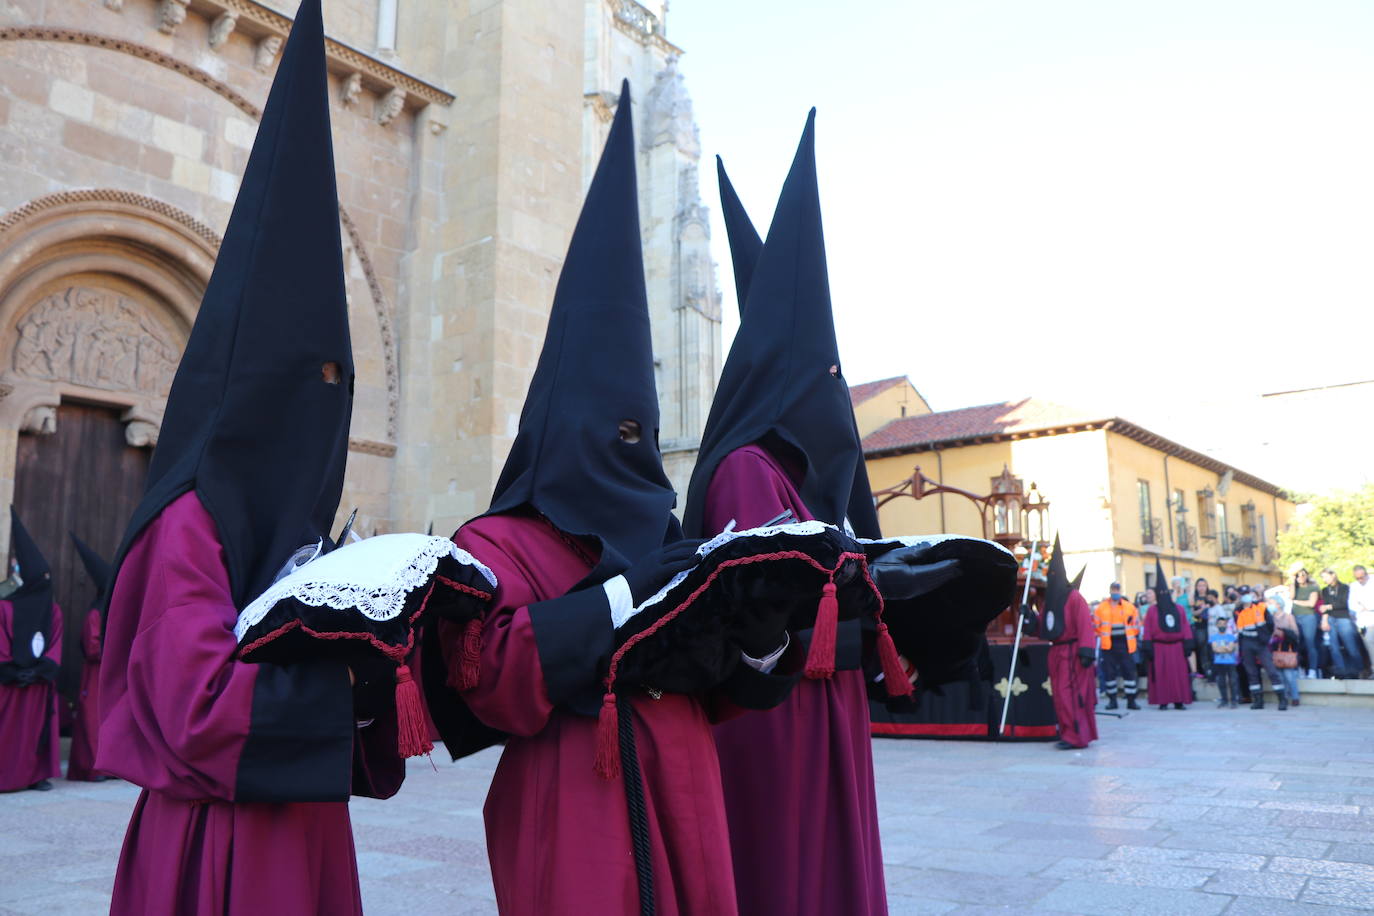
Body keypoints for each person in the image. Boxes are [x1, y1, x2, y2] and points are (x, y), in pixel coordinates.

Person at [422, 83, 788, 916]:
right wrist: (627, 594)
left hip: (685, 789)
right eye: (613, 429)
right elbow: (489, 679)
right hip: (572, 802)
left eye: (643, 430)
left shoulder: (662, 530)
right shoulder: (497, 540)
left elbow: (720, 688)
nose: (632, 448)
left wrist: (762, 636)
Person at [96, 5, 405, 911]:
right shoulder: (190, 517)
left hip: (302, 833)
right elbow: (196, 705)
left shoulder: (279, 522)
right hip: (214, 842)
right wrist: (344, 682)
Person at [683, 117, 893, 916]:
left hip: (824, 704)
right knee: (785, 868)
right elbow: (762, 607)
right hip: (776, 716)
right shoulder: (746, 470)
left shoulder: (797, 479)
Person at [0, 509, 62, 792]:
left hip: (38, 684)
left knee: (35, 732)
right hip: (10, 684)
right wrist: (12, 671)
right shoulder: (4, 607)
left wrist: (39, 670)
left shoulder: (54, 611)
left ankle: (34, 775)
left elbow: (55, 644)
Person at [1026, 542, 1097, 749]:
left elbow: (1085, 626)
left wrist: (1086, 651)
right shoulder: (1050, 602)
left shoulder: (1074, 598)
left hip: (1073, 654)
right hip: (1056, 653)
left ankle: (1076, 736)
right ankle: (1066, 732)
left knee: (1072, 696)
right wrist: (1028, 617)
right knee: (1059, 694)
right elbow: (1044, 628)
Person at [65, 535, 111, 782]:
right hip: (96, 674)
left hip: (114, 674)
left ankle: (111, 767)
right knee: (93, 720)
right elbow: (93, 648)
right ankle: (93, 768)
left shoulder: (114, 609)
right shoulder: (96, 612)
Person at [1143, 561, 1193, 710]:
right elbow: (1147, 629)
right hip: (1159, 648)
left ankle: (1179, 700)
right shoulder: (1152, 611)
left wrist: (1188, 644)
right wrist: (1148, 647)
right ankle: (1163, 701)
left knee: (1179, 675)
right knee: (1161, 675)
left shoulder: (1179, 609)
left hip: (1177, 647)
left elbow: (1185, 626)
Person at [1236, 588, 1286, 710]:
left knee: (1271, 670)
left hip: (1260, 643)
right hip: (1247, 643)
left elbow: (1270, 624)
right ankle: (1258, 700)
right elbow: (1239, 631)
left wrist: (1265, 638)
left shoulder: (1261, 608)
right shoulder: (1239, 612)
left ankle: (1281, 700)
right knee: (1251, 672)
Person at [1094, 583, 1141, 710]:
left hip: (1125, 644)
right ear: (1110, 591)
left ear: (1120, 591)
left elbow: (1136, 626)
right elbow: (1095, 626)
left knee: (1129, 672)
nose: (1115, 592)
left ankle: (1131, 701)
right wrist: (1104, 636)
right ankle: (1112, 701)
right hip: (1108, 645)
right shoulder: (1101, 608)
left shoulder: (1129, 607)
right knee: (1109, 673)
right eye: (1113, 589)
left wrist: (1130, 634)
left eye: (1117, 590)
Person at [1320, 568, 1362, 679]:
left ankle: (1359, 670)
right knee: (1334, 647)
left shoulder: (1345, 588)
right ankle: (1341, 671)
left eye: (1326, 577)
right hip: (1331, 618)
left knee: (1350, 646)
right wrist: (1324, 619)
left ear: (1333, 575)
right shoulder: (1325, 590)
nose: (1325, 580)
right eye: (1323, 578)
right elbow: (1324, 606)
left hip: (1343, 618)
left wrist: (1329, 606)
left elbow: (1344, 603)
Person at [1267, 587, 1302, 706]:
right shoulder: (1269, 618)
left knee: (1289, 675)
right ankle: (1284, 697)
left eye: (1271, 603)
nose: (1269, 605)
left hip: (1287, 648)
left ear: (1278, 604)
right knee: (1279, 675)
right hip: (1274, 649)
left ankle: (1295, 697)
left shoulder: (1288, 617)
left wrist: (1283, 633)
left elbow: (1296, 633)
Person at [1290, 567, 1321, 678]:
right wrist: (1292, 581)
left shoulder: (1313, 588)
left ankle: (1313, 669)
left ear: (1307, 576)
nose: (1301, 577)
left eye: (1303, 575)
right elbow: (1291, 597)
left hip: (1309, 617)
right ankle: (1300, 668)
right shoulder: (1294, 587)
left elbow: (1311, 604)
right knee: (1297, 643)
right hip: (1295, 616)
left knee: (1310, 643)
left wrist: (1297, 602)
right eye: (1298, 576)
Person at [1209, 609, 1240, 709]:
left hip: (1230, 662)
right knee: (1221, 681)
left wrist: (1221, 649)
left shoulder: (1231, 636)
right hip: (1219, 662)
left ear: (1227, 625)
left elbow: (1231, 648)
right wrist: (1225, 648)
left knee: (1233, 681)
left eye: (1224, 623)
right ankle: (1224, 700)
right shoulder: (1213, 637)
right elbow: (1215, 649)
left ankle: (1234, 701)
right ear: (1217, 625)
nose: (1222, 625)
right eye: (1220, 624)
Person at [1349, 565, 1374, 678]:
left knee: (1370, 641)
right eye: (1357, 578)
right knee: (1367, 646)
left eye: (1362, 577)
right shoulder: (1354, 586)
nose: (1360, 580)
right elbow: (1352, 604)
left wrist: (1367, 606)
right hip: (1361, 620)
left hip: (1371, 618)